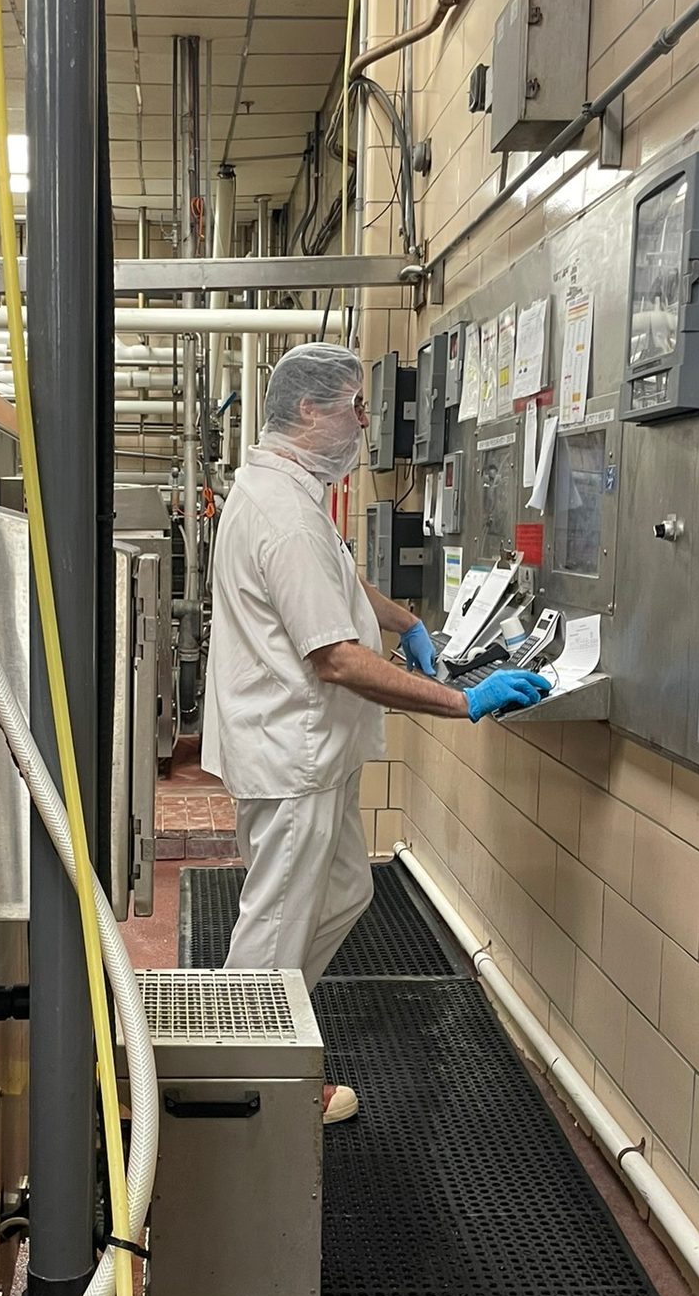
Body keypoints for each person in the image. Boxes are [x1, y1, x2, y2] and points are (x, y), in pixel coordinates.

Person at [202, 341, 549, 1123]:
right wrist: (459, 702)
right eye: (356, 407)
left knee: (346, 891)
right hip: (291, 753)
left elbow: (337, 581)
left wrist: (409, 619)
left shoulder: (287, 491)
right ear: (309, 410)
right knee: (275, 925)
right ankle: (240, 1088)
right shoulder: (285, 511)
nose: (366, 422)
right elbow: (336, 660)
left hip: (305, 751)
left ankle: (271, 1040)